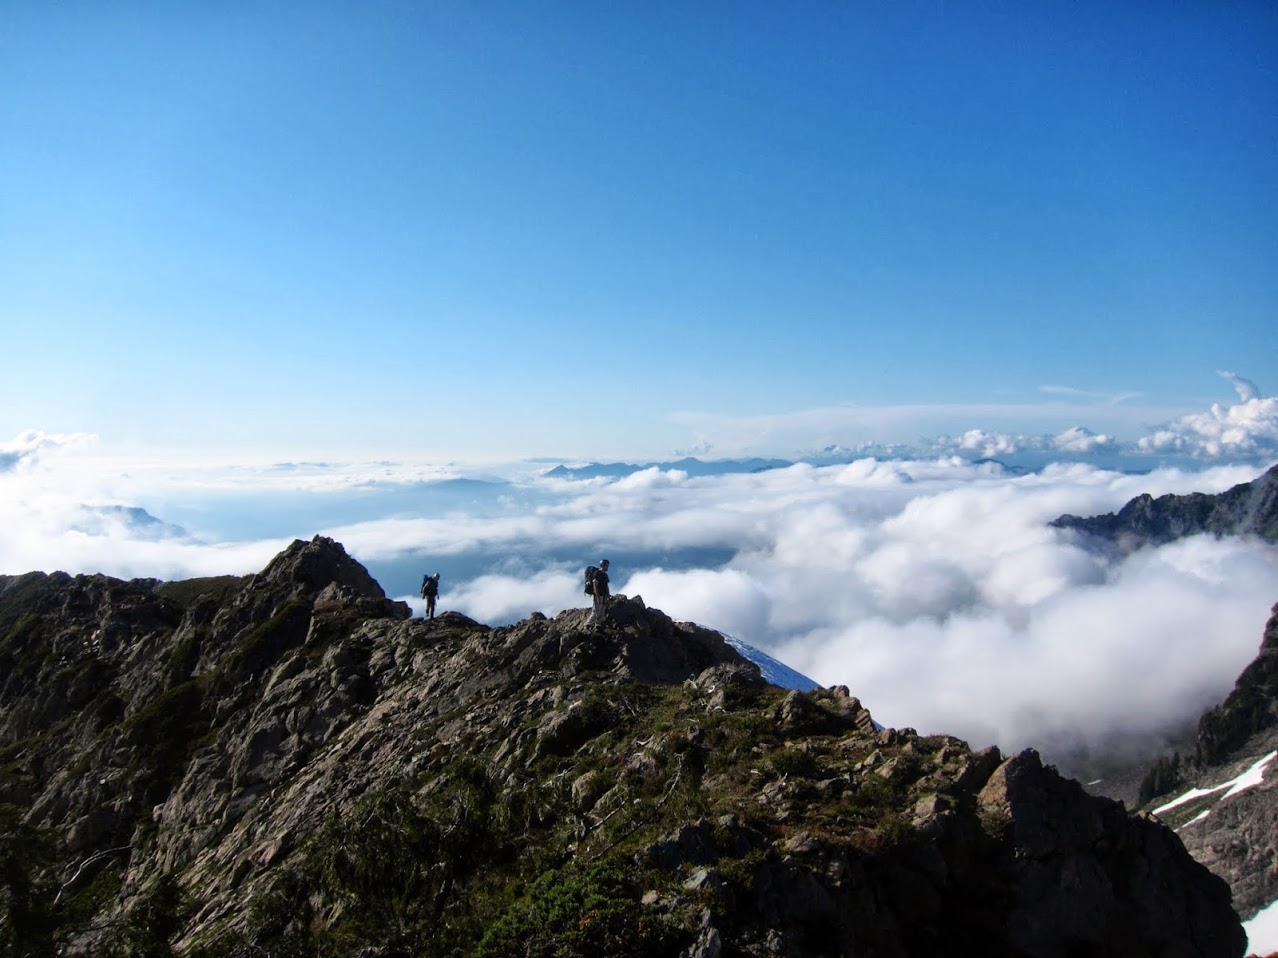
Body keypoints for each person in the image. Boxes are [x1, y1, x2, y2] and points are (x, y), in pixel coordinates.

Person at [588, 559, 610, 631]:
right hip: (598, 595)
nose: (607, 567)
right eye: (606, 565)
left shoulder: (605, 575)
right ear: (602, 565)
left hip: (604, 595)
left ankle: (598, 625)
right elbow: (595, 585)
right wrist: (597, 595)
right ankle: (588, 624)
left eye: (607, 566)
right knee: (596, 611)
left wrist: (608, 595)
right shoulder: (597, 573)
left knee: (602, 610)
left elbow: (606, 586)